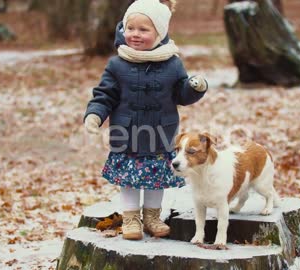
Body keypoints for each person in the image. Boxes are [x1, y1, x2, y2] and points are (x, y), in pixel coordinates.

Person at [83, 0, 208, 241]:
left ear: (159, 33)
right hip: (126, 133)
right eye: (130, 28)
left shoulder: (172, 63)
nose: (135, 35)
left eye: (143, 30)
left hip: (160, 133)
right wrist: (95, 114)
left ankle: (152, 216)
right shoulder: (117, 64)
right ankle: (131, 218)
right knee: (129, 180)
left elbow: (181, 93)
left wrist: (194, 87)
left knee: (155, 179)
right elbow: (105, 94)